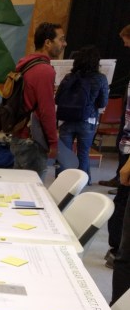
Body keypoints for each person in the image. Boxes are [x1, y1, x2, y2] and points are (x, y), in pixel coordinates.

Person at [10, 22, 67, 177]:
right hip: (32, 140)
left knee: (19, 187)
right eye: (61, 39)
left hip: (19, 135)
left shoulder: (25, 64)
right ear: (48, 43)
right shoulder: (44, 70)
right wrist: (53, 142)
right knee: (32, 192)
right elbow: (46, 110)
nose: (64, 44)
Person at [55, 46, 109, 181]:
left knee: (64, 154)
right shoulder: (100, 78)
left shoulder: (69, 77)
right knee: (83, 154)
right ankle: (81, 183)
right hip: (88, 120)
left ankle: (62, 182)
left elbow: (57, 99)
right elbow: (102, 103)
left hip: (66, 120)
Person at [105, 26, 130, 269]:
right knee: (122, 200)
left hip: (129, 152)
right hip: (126, 148)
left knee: (123, 200)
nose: (125, 48)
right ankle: (116, 247)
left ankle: (118, 250)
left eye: (127, 42)